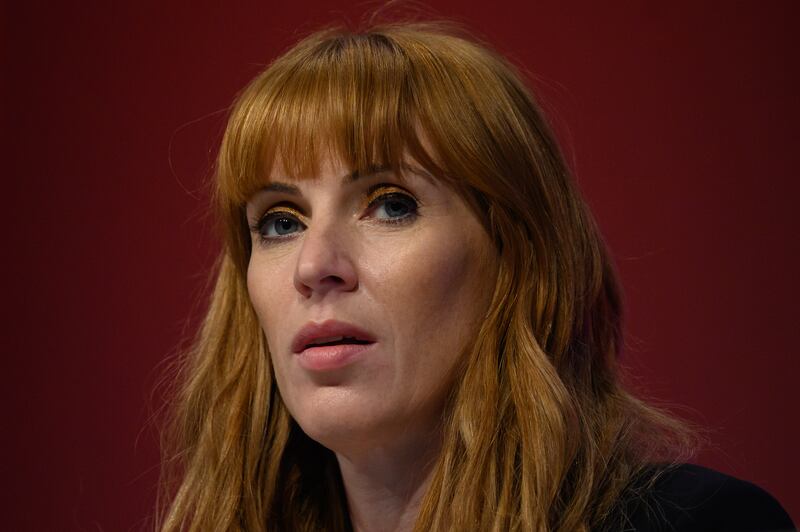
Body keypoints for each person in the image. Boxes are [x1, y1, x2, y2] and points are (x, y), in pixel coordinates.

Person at [157, 21, 795, 532]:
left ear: (519, 259)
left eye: (391, 204)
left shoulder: (704, 523)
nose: (315, 266)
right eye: (280, 221)